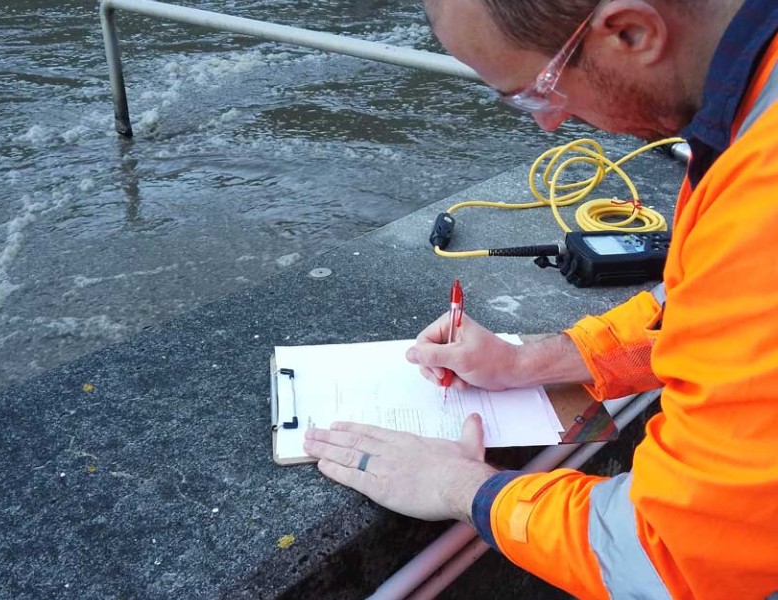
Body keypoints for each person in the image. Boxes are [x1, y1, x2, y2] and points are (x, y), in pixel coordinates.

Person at [303, 0, 778, 597]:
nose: (550, 124)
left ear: (631, 32)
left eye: (537, 92)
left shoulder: (763, 192)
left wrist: (461, 486)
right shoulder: (752, 113)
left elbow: (670, 558)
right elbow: (707, 317)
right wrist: (527, 362)